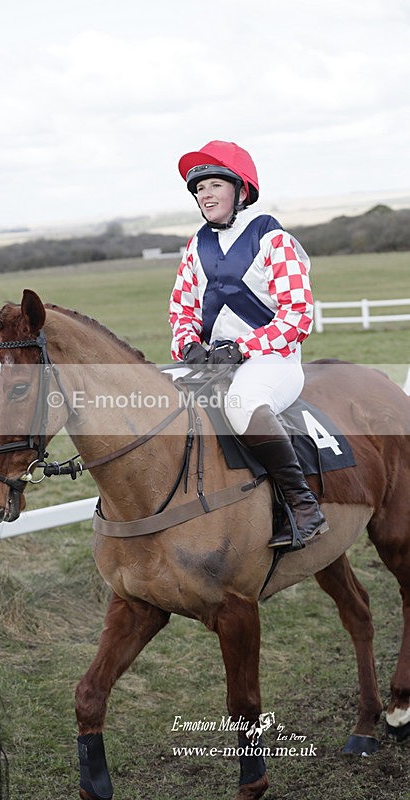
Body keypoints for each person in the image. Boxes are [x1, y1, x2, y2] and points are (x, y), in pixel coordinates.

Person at [169, 140, 328, 549]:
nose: (205, 194)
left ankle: (302, 504)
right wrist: (188, 344)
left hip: (272, 361)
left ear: (241, 191)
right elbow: (181, 309)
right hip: (213, 363)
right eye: (198, 188)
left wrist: (242, 349)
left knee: (241, 404)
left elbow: (297, 314)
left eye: (215, 185)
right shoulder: (195, 246)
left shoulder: (275, 241)